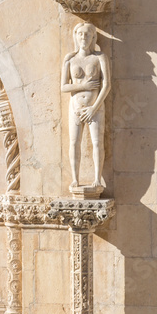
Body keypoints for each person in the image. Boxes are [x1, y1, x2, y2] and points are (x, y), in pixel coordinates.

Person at [61, 23, 110, 190]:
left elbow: (107, 85)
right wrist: (84, 87)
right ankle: (75, 179)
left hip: (94, 107)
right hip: (75, 106)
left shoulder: (99, 57)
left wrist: (94, 108)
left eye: (87, 34)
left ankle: (97, 178)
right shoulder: (70, 59)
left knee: (97, 142)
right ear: (76, 36)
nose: (83, 38)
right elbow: (64, 86)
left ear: (93, 37)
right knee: (74, 142)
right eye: (80, 34)